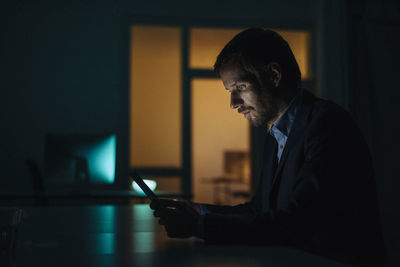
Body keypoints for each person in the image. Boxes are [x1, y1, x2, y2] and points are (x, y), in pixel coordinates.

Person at [151, 28, 386, 266]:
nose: (233, 104)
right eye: (230, 91)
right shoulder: (277, 134)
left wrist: (199, 226)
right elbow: (260, 210)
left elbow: (297, 223)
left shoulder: (328, 125)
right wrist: (199, 212)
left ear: (274, 75)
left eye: (240, 87)